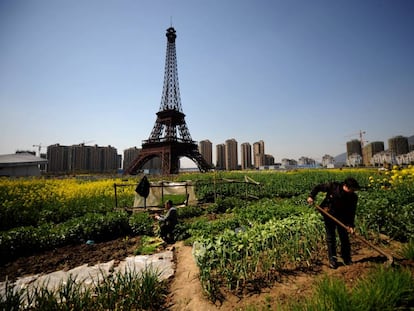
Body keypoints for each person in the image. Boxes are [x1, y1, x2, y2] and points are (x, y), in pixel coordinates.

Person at [307, 177, 360, 269]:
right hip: (329, 214)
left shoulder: (353, 197)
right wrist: (311, 196)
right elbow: (318, 187)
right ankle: (333, 260)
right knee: (331, 238)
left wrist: (351, 225)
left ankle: (346, 259)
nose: (353, 191)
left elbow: (352, 212)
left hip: (342, 218)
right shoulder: (333, 187)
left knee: (344, 237)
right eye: (352, 189)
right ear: (346, 186)